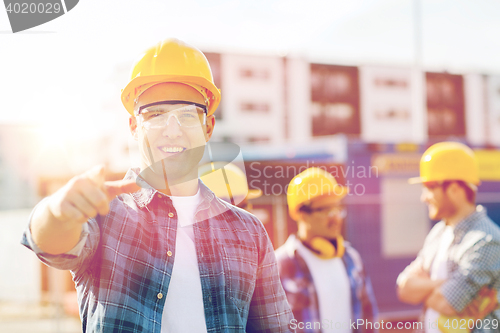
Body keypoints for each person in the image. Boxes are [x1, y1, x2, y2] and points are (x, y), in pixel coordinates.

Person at [21, 38, 294, 332]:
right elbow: (49, 245)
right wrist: (58, 212)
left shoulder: (249, 233)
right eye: (155, 114)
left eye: (188, 115)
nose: (172, 130)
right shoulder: (105, 212)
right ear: (134, 127)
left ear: (208, 127)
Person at [397, 141, 500, 333]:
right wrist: (444, 284)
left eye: (429, 186)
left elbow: (447, 304)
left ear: (454, 188)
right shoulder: (438, 232)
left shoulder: (486, 240)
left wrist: (423, 289)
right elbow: (404, 289)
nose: (424, 197)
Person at [275, 167, 378, 333]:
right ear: (300, 214)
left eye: (337, 208)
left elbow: (369, 318)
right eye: (324, 210)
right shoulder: (280, 265)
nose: (335, 217)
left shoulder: (351, 258)